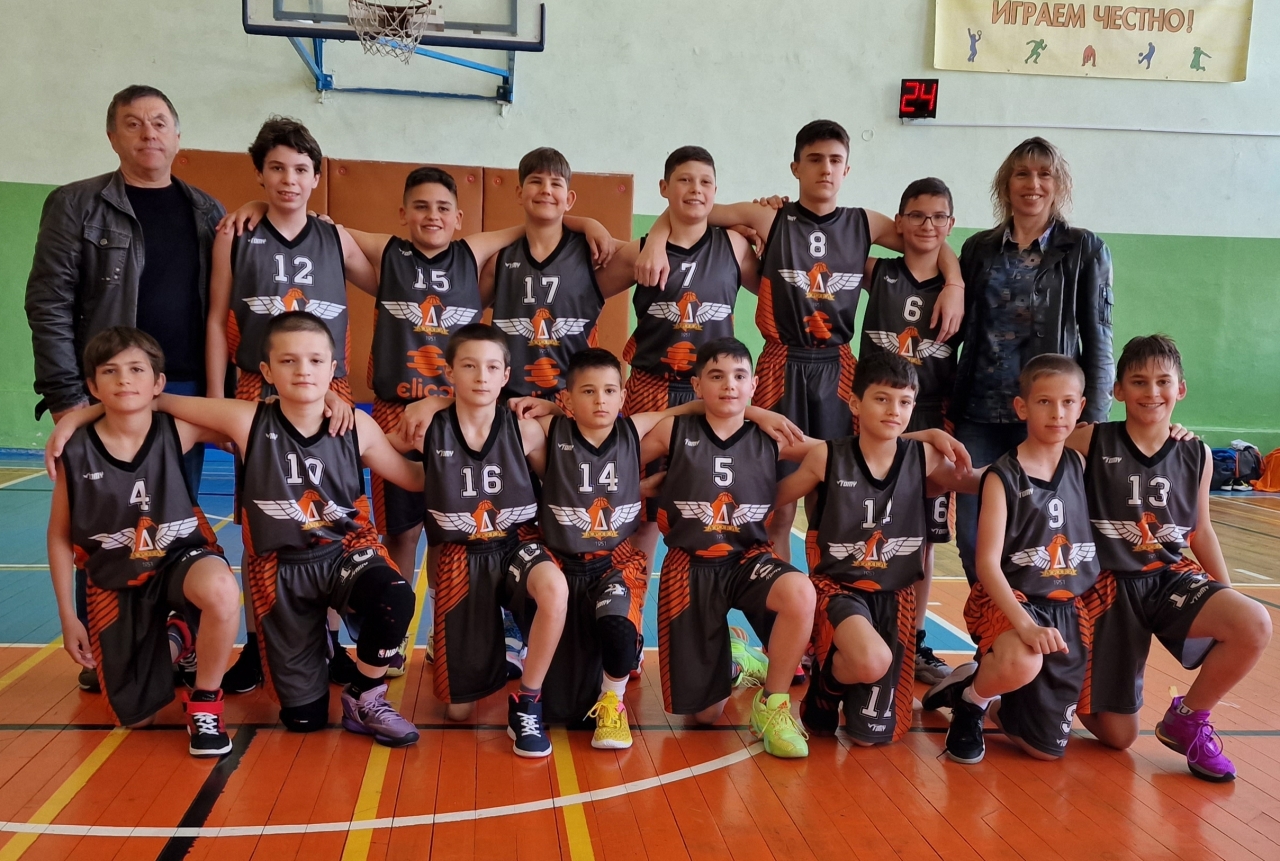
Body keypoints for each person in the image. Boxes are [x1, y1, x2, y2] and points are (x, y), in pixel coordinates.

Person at [636, 120, 964, 561]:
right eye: (814, 159)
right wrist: (656, 239)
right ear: (796, 167)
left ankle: (829, 594)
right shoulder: (768, 217)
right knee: (775, 497)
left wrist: (955, 282)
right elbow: (694, 210)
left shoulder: (864, 223)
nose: (825, 169)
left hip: (837, 367)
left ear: (847, 169)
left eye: (835, 160)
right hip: (780, 363)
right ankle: (776, 587)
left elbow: (928, 237)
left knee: (836, 491)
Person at [27, 88, 224, 695]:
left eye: (159, 122)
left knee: (175, 523)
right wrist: (70, 400)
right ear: (112, 137)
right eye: (133, 124)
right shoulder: (76, 204)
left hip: (182, 389)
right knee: (105, 523)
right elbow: (48, 303)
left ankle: (177, 641)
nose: (148, 134)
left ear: (178, 136)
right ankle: (102, 645)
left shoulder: (205, 209)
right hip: (107, 394)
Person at [511, 349, 802, 748]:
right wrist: (554, 411)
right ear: (568, 398)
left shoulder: (633, 430)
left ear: (622, 396)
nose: (600, 400)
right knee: (571, 709)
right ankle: (729, 660)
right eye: (589, 391)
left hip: (617, 562)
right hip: (561, 559)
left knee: (618, 628)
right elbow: (504, 429)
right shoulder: (550, 431)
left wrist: (756, 413)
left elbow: (696, 406)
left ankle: (619, 699)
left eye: (609, 391)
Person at [156, 312, 423, 746]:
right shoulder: (247, 419)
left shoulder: (356, 426)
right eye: (289, 361)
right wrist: (75, 420)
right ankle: (310, 650)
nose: (303, 370)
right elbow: (160, 402)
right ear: (266, 371)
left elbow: (412, 478)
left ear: (332, 369)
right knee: (303, 719)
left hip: (345, 552)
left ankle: (365, 694)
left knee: (394, 594)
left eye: (315, 361)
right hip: (279, 568)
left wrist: (448, 449)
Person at [206, 117, 376, 694]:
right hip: (258, 389)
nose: (288, 179)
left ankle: (328, 644)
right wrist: (217, 399)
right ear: (260, 173)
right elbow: (217, 319)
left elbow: (392, 281)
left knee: (333, 520)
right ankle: (260, 646)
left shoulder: (334, 237)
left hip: (330, 391)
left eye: (301, 169)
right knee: (263, 524)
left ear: (316, 177)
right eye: (276, 168)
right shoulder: (236, 234)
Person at [1071, 335, 1271, 781]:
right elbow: (1031, 461)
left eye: (1163, 381)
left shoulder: (1195, 452)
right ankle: (1054, 692)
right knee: (1119, 736)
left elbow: (1200, 529)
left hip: (1168, 578)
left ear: (1180, 389)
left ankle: (1188, 719)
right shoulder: (1089, 440)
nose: (1152, 392)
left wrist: (1224, 594)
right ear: (1118, 390)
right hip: (1107, 588)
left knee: (1253, 622)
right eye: (1139, 381)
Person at [46, 327, 240, 756]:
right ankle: (178, 637)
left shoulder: (177, 430)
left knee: (222, 590)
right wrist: (67, 616)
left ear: (158, 382)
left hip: (178, 559)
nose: (124, 379)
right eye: (110, 372)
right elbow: (59, 536)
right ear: (93, 386)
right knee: (136, 719)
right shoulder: (76, 451)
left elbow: (244, 417)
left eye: (137, 370)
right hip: (116, 578)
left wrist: (159, 400)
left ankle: (206, 702)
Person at [779, 352, 975, 744]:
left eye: (904, 402)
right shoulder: (826, 457)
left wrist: (1035, 459)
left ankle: (834, 682)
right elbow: (769, 500)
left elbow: (977, 481)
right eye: (882, 399)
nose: (893, 410)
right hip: (838, 589)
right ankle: (826, 688)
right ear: (855, 403)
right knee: (872, 660)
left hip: (895, 596)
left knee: (871, 736)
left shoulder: (924, 456)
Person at [640, 338, 817, 758]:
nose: (729, 385)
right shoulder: (673, 430)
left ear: (753, 385)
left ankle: (772, 705)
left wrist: (924, 435)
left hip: (747, 560)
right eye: (717, 376)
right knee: (704, 716)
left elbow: (838, 454)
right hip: (689, 566)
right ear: (697, 385)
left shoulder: (772, 436)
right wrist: (642, 488)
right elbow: (613, 457)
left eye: (739, 376)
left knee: (800, 592)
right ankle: (735, 658)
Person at [593, 145, 761, 587]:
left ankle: (710, 610)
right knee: (640, 515)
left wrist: (764, 221)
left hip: (714, 396)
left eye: (705, 182)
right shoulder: (640, 251)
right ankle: (628, 607)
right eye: (684, 180)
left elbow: (776, 291)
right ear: (664, 188)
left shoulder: (734, 245)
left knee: (714, 516)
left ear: (716, 191)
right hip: (652, 387)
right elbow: (585, 295)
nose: (695, 189)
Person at [951, 137, 1114, 587]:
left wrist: (1094, 419)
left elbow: (1099, 338)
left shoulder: (1085, 249)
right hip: (979, 414)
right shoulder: (978, 249)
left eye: (1045, 175)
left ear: (1059, 186)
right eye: (1022, 174)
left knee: (1038, 536)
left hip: (1048, 414)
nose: (1033, 184)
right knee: (972, 536)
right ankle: (993, 625)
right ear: (1006, 184)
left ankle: (1034, 623)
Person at [924, 355, 1098, 764]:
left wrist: (1175, 431)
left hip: (1067, 608)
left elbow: (1143, 431)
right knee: (1022, 658)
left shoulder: (1082, 461)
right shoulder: (1002, 476)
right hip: (1011, 601)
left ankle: (971, 682)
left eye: (1067, 403)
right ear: (1022, 407)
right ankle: (972, 703)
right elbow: (986, 565)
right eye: (1044, 402)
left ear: (1080, 407)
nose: (1057, 413)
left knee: (1044, 750)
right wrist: (1025, 624)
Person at [415, 324, 568, 757]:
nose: (481, 376)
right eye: (469, 366)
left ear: (506, 375)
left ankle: (528, 701)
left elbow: (561, 479)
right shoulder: (428, 428)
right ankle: (485, 634)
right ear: (449, 373)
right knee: (458, 711)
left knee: (555, 589)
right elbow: (382, 456)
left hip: (516, 543)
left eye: (492, 367)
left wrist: (554, 410)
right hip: (462, 554)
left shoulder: (526, 431)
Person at [859, 177, 964, 686]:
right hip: (876, 418)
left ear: (951, 224)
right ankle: (852, 626)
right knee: (865, 525)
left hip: (932, 416)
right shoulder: (876, 271)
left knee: (923, 537)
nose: (927, 225)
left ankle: (915, 638)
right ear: (899, 221)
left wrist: (955, 280)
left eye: (938, 216)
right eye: (917, 215)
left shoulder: (960, 290)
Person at [486, 147, 628, 407]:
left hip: (572, 400)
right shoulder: (499, 259)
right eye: (536, 181)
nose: (546, 190)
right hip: (508, 397)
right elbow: (465, 311)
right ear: (519, 193)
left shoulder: (589, 252)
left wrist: (588, 223)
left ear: (569, 198)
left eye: (555, 184)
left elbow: (643, 254)